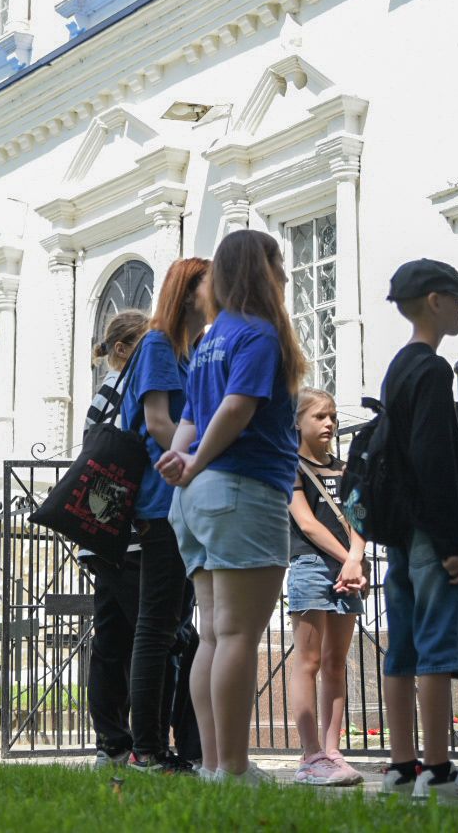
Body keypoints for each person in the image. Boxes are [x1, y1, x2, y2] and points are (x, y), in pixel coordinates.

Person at [157, 230, 304, 785]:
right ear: (261, 271)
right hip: (240, 489)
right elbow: (239, 409)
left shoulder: (211, 340)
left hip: (196, 499)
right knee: (238, 635)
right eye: (278, 264)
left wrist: (180, 463)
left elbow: (193, 418)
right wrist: (191, 463)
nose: (285, 275)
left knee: (214, 635)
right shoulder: (260, 335)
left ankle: (216, 765)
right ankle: (234, 768)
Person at [376, 259, 458, 807]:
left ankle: (403, 767)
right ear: (434, 301)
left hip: (402, 530)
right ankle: (440, 771)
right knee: (434, 646)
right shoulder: (431, 369)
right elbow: (432, 457)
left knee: (401, 647)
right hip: (434, 531)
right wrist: (453, 543)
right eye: (457, 301)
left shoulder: (398, 367)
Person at [114, 257, 212, 775]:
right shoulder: (157, 345)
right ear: (188, 291)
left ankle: (164, 744)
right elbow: (157, 423)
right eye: (210, 283)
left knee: (176, 627)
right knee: (156, 627)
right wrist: (197, 463)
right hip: (161, 500)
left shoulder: (193, 352)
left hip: (184, 498)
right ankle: (144, 748)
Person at [285, 388, 367, 787]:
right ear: (298, 422)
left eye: (332, 416)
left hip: (348, 570)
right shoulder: (292, 466)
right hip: (311, 567)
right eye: (319, 417)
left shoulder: (345, 467)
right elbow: (307, 523)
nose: (330, 424)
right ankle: (310, 753)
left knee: (336, 662)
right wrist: (348, 558)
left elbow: (360, 518)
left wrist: (357, 555)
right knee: (310, 661)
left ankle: (334, 751)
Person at [82, 309, 151, 769]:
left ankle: (113, 741)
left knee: (112, 638)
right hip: (129, 536)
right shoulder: (126, 391)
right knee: (156, 635)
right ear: (124, 349)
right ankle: (142, 740)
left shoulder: (102, 397)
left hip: (101, 534)